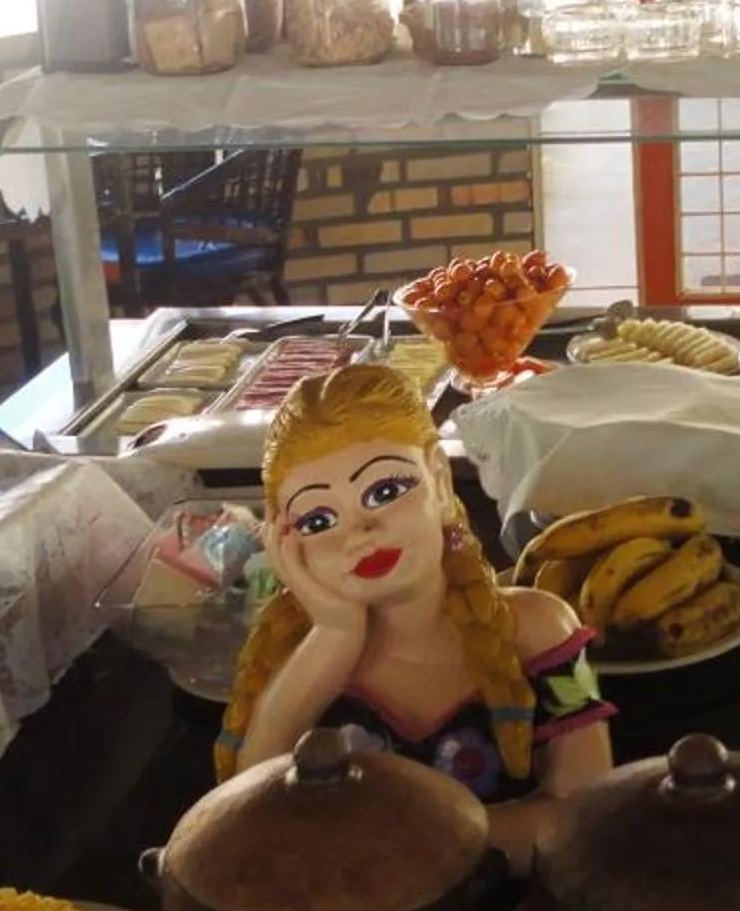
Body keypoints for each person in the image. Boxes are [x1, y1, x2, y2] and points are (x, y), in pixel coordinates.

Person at [216, 364, 611, 865]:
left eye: (385, 491)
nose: (360, 532)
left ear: (441, 483)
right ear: (286, 544)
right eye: (319, 520)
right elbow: (243, 824)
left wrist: (391, 851)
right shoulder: (294, 660)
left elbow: (589, 819)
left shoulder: (543, 631)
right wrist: (335, 635)